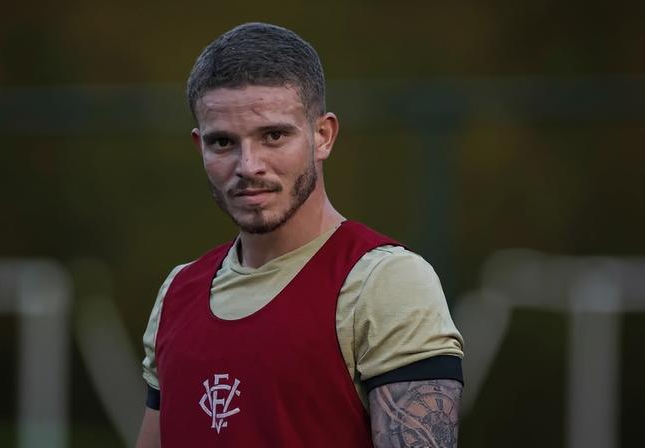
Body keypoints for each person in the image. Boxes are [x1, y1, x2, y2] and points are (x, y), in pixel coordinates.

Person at [136, 22, 464, 448]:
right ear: (200, 147)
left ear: (322, 135)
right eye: (222, 143)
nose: (248, 165)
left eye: (273, 135)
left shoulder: (382, 283)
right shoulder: (178, 293)